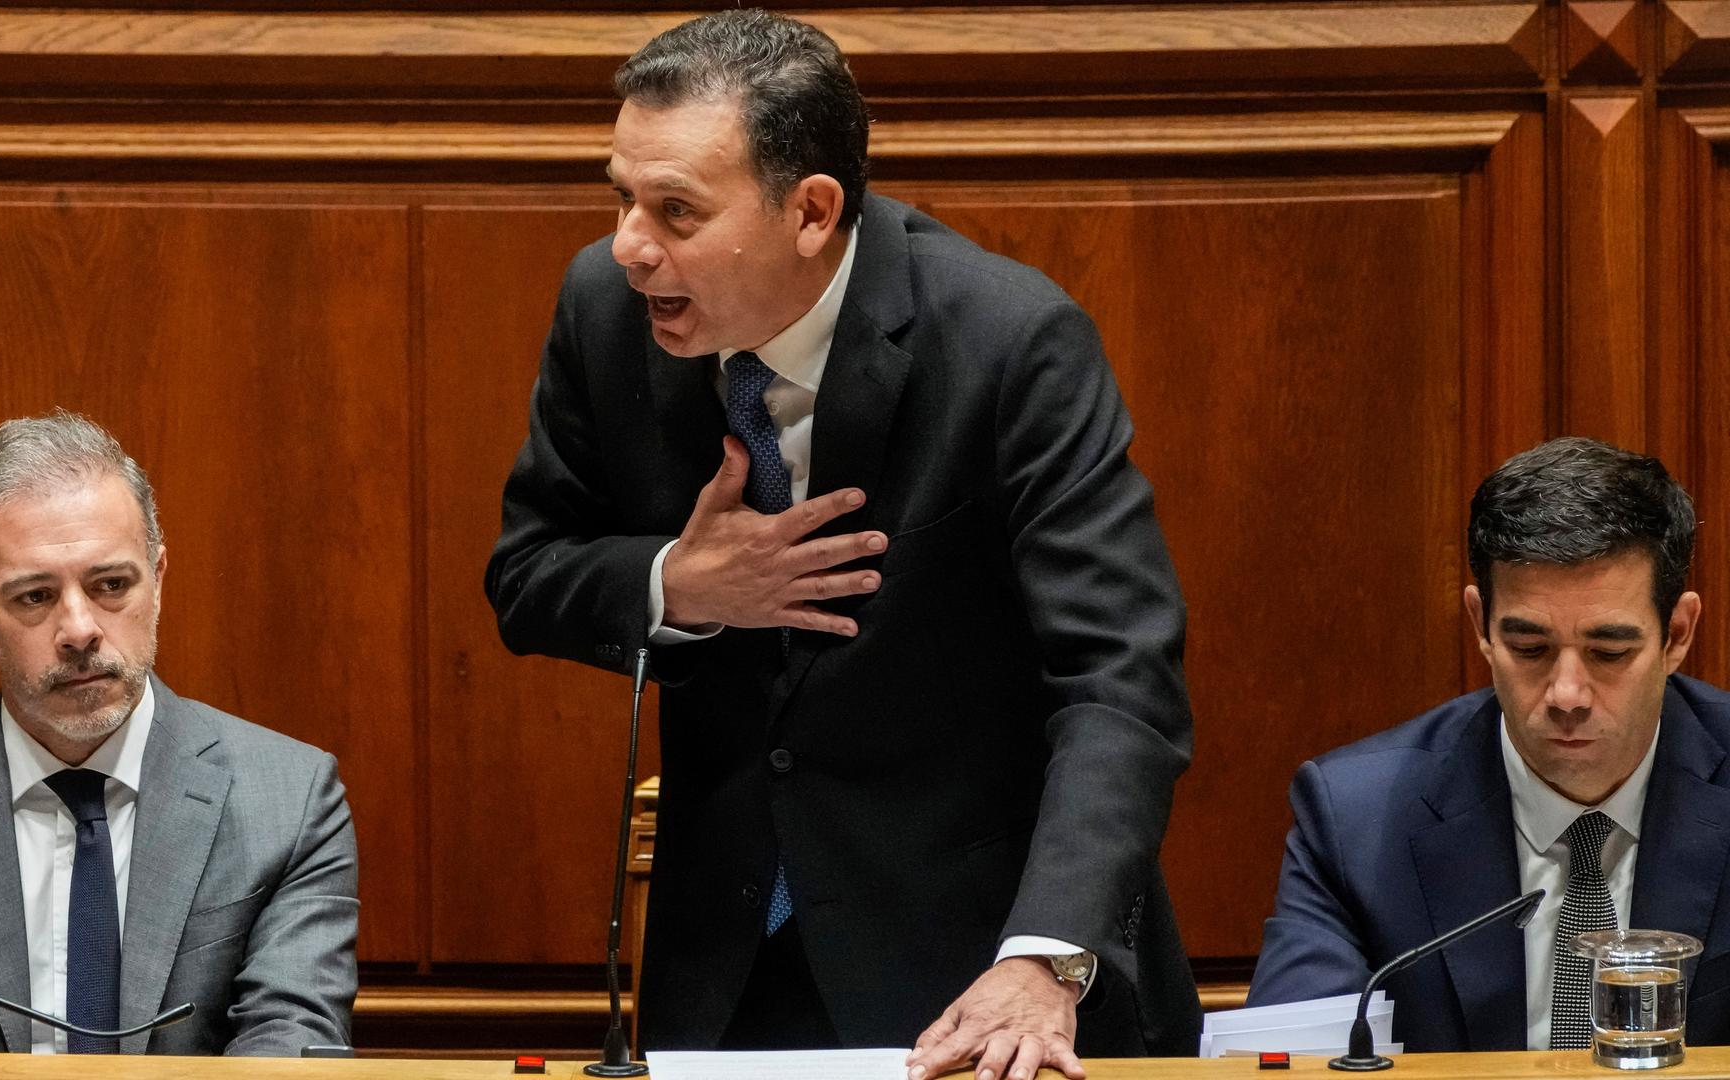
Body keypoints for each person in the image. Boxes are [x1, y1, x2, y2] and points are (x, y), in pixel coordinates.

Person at [485, 11, 1199, 1078]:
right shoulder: (604, 308)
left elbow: (1120, 675)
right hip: (724, 972)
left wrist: (1048, 957)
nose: (632, 246)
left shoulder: (1007, 343)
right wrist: (679, 582)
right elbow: (527, 573)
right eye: (622, 196)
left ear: (811, 210)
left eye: (675, 211)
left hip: (980, 976)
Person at [0, 411, 359, 1055]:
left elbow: (287, 1050)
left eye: (111, 585)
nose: (79, 629)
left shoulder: (290, 804)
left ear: (158, 581)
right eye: (35, 597)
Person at [1249, 437, 1730, 1051]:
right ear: (1481, 627)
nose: (1567, 694)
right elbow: (1295, 1058)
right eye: (1530, 649)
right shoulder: (1356, 820)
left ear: (1678, 634)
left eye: (1609, 652)